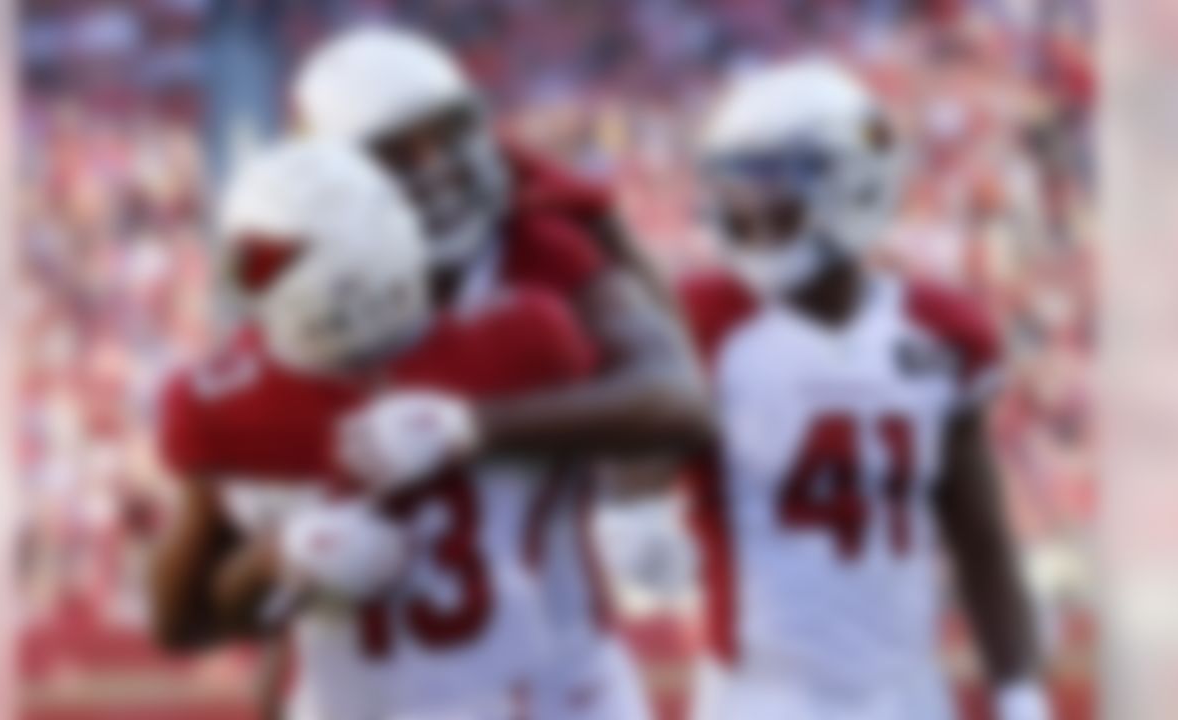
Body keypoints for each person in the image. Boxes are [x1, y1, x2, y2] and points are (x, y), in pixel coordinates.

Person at [292, 25, 706, 720]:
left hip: (556, 686)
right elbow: (214, 592)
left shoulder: (536, 248)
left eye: (446, 135)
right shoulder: (295, 294)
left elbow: (680, 399)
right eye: (398, 154)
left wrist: (470, 428)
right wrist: (284, 559)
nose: (435, 169)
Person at [148, 138, 607, 719]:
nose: (250, 286)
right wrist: (276, 554)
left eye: (265, 260)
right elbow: (181, 623)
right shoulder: (228, 397)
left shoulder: (521, 345)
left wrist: (474, 428)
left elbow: (641, 452)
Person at [677, 59, 1052, 720]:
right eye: (736, 180)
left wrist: (1019, 693)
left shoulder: (939, 330)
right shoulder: (707, 322)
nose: (749, 205)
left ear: (852, 182)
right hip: (761, 695)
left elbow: (980, 539)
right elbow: (633, 459)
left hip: (906, 692)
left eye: (774, 178)